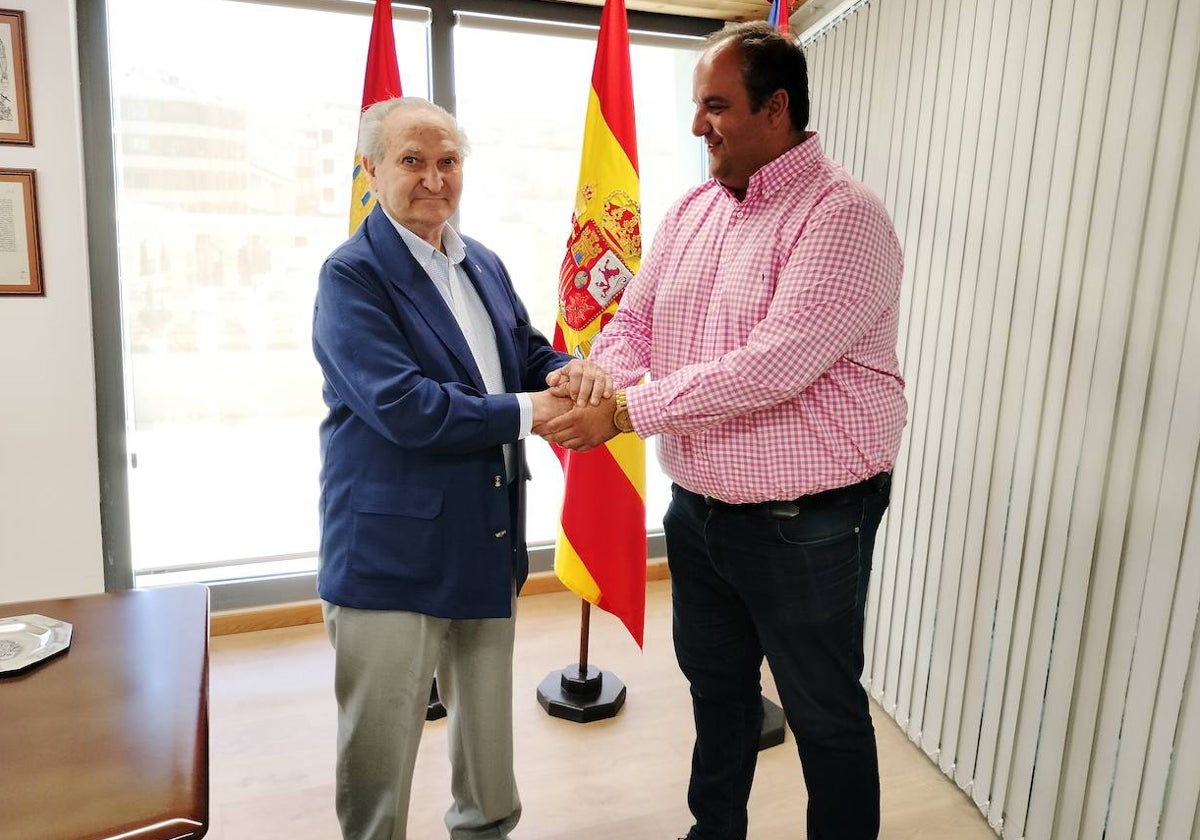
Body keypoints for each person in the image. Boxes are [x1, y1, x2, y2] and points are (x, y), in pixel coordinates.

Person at [543, 22, 905, 840]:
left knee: (823, 713)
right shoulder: (693, 210)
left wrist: (624, 413)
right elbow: (636, 322)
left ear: (776, 109)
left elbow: (769, 367)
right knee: (718, 693)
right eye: (696, 105)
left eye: (716, 105)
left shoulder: (843, 218)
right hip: (699, 513)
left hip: (806, 524)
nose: (699, 124)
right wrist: (597, 374)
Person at [312, 96, 606, 840]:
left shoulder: (480, 262)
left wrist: (571, 372)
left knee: (487, 754)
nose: (434, 179)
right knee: (379, 761)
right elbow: (408, 408)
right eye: (412, 160)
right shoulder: (351, 278)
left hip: (485, 536)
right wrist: (533, 411)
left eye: (448, 161)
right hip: (390, 557)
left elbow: (527, 351)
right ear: (373, 168)